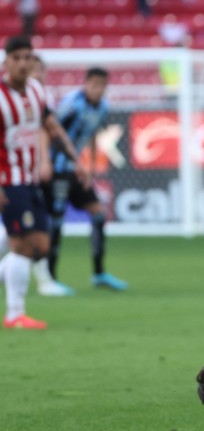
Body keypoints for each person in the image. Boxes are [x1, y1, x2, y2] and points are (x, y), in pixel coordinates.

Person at [0, 35, 84, 329]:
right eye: (17, 58)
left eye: (28, 58)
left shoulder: (36, 90)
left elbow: (52, 126)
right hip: (8, 180)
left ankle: (14, 311)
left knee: (40, 245)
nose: (23, 63)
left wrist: (76, 160)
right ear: (6, 61)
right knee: (23, 245)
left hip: (30, 178)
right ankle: (14, 314)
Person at [38, 66, 127, 294]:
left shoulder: (103, 108)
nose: (98, 90)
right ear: (85, 83)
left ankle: (98, 273)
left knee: (98, 212)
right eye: (95, 84)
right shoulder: (71, 103)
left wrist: (92, 166)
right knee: (55, 223)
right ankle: (50, 279)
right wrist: (44, 162)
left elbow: (93, 135)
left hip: (77, 170)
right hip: (57, 169)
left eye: (103, 86)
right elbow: (49, 130)